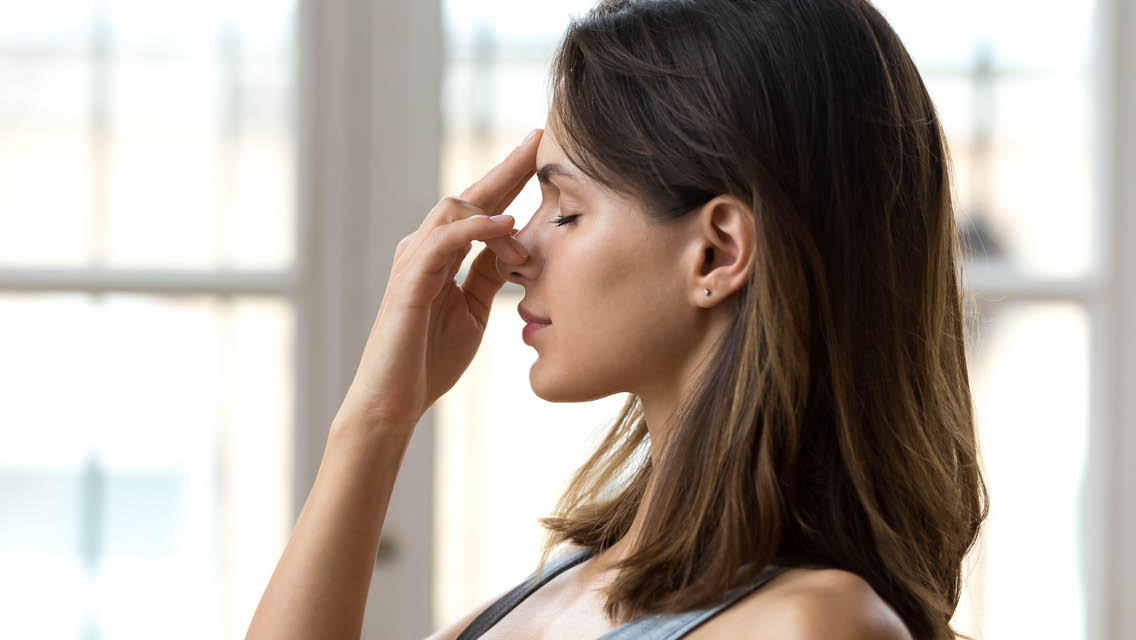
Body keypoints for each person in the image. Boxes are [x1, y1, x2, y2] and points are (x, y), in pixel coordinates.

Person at [246, 0, 989, 638]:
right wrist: (378, 417)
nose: (514, 252)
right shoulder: (555, 590)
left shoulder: (810, 624)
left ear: (716, 252)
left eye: (565, 210)